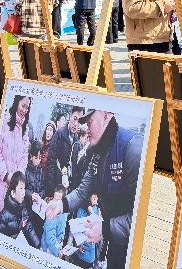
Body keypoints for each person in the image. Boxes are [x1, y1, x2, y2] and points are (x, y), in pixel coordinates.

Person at [45, 109, 144, 269]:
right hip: (114, 240)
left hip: (134, 248)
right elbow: (83, 189)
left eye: (89, 122)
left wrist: (105, 229)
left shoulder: (133, 148)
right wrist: (61, 204)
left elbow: (141, 218)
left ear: (106, 114)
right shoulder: (98, 152)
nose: (86, 129)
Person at [0, 95, 31, 229]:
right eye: (23, 105)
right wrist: (6, 175)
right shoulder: (4, 121)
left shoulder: (25, 130)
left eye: (27, 108)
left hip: (12, 186)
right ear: (16, 103)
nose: (25, 110)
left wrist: (17, 178)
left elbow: (24, 156)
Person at [0, 171, 42, 248]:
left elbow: (29, 228)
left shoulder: (24, 210)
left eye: (24, 188)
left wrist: (38, 245)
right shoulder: (4, 215)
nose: (23, 192)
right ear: (13, 193)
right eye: (20, 189)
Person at [44, 106, 82, 200]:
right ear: (70, 115)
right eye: (75, 119)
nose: (76, 124)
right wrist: (50, 191)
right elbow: (50, 162)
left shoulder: (77, 141)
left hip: (67, 190)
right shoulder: (59, 134)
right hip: (56, 188)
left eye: (79, 121)